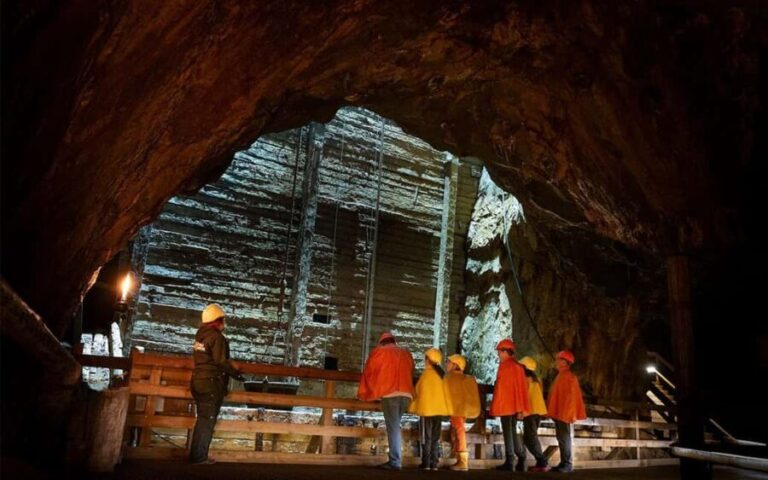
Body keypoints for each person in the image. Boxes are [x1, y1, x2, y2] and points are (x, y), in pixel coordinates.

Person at [189, 303, 245, 465]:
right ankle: (199, 457)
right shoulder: (217, 338)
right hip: (210, 383)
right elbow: (221, 361)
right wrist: (237, 374)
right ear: (217, 321)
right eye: (223, 320)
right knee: (207, 420)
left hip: (197, 381)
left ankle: (197, 455)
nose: (224, 324)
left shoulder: (200, 337)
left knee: (203, 418)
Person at [358, 331, 415, 471]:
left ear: (382, 342)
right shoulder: (406, 353)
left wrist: (370, 391)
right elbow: (412, 370)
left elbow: (370, 371)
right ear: (393, 341)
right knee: (396, 426)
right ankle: (395, 459)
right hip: (406, 393)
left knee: (393, 427)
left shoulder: (380, 352)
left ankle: (395, 461)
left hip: (390, 393)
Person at [489, 338, 530, 471]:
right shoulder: (518, 367)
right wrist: (520, 408)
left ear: (506, 352)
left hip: (506, 406)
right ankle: (521, 457)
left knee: (508, 432)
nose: (498, 354)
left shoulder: (505, 366)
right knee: (512, 431)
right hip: (514, 406)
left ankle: (510, 460)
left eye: (500, 352)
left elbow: (501, 388)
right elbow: (520, 389)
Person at [408, 348, 449, 470]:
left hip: (426, 411)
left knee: (426, 437)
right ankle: (434, 464)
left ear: (428, 361)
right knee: (435, 437)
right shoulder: (442, 376)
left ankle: (426, 463)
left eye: (425, 359)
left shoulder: (426, 375)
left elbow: (416, 391)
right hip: (439, 411)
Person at [547, 350, 587, 473]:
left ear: (565, 362)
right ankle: (564, 462)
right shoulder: (561, 375)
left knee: (564, 438)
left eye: (559, 359)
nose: (556, 361)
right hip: (560, 412)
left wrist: (566, 413)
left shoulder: (569, 377)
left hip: (564, 413)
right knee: (561, 437)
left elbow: (570, 398)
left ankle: (567, 463)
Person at [443, 354, 480, 471]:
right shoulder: (466, 379)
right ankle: (460, 460)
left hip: (455, 409)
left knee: (459, 431)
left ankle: (463, 461)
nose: (446, 364)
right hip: (462, 409)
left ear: (455, 365)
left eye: (449, 362)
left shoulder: (450, 378)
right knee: (459, 430)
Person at [519, 356, 549, 472]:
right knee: (530, 437)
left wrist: (520, 411)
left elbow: (524, 395)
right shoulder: (537, 380)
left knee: (530, 437)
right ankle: (540, 462)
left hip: (530, 411)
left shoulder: (525, 379)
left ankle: (542, 462)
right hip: (538, 411)